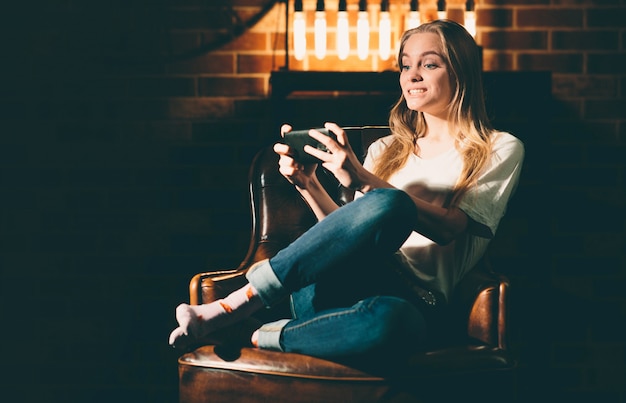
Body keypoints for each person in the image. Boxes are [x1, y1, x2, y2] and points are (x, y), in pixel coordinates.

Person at [169, 19, 525, 361]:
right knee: (389, 203)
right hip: (337, 284)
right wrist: (307, 185)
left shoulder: (499, 148)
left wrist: (363, 180)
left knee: (391, 319)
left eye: (428, 64)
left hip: (413, 301)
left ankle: (254, 333)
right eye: (405, 66)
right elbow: (347, 236)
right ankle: (235, 304)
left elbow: (451, 228)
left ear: (460, 71)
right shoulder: (385, 150)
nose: (412, 76)